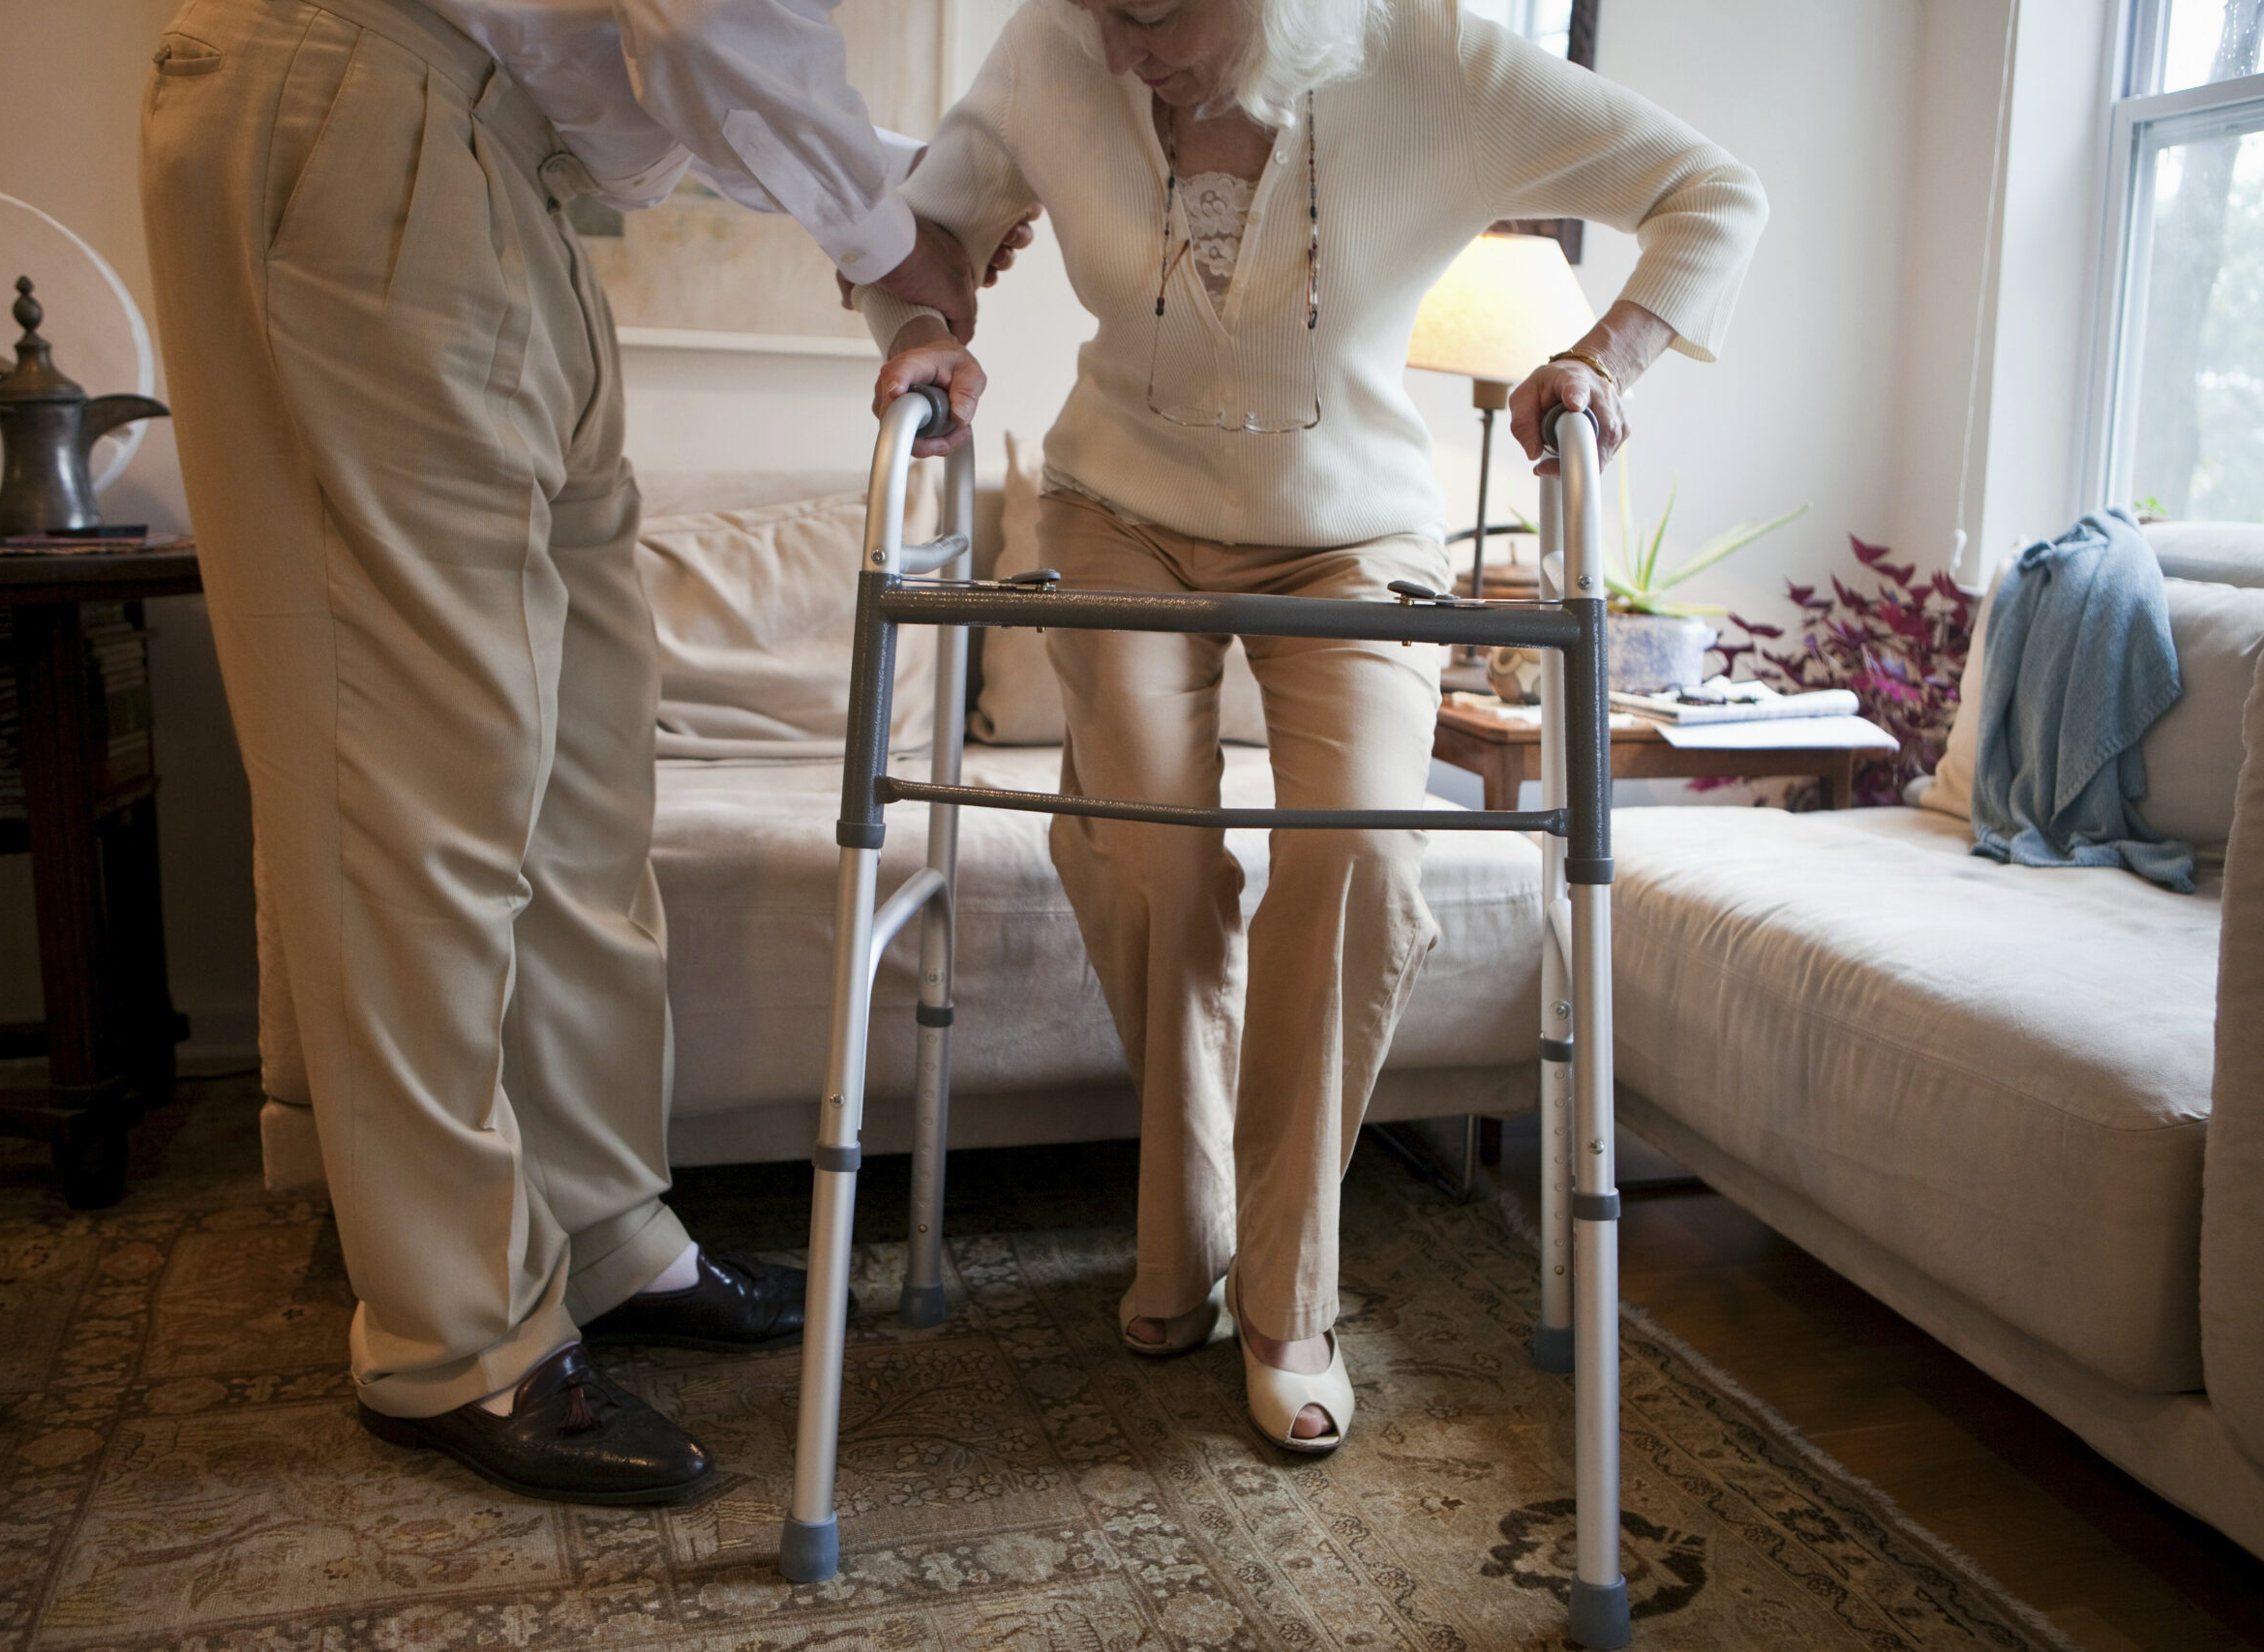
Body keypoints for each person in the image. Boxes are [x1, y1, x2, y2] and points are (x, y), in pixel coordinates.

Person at [137, 0, 1025, 1507]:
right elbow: (700, 21)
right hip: (371, 100)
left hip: (504, 167)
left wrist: (907, 209)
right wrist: (895, 247)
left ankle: (608, 1234)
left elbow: (658, 47)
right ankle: (454, 1330)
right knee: (417, 782)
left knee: (587, 768)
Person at [857, 0, 1765, 1452]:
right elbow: (932, 228)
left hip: (1352, 539)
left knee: (1356, 857)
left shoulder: (1433, 58)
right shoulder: (1056, 45)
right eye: (1100, 9)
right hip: (1118, 515)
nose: (1120, 48)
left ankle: (1288, 1295)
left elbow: (1715, 188)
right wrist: (919, 324)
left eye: (1155, 16)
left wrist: (1606, 357)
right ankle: (1186, 1238)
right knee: (1153, 855)